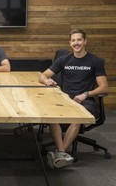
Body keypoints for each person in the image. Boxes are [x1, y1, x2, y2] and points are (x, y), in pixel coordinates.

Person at [39, 29, 108, 169]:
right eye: (73, 40)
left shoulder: (95, 61)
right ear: (70, 43)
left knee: (77, 117)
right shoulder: (64, 59)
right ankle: (62, 153)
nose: (76, 43)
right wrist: (46, 81)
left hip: (85, 100)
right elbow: (42, 75)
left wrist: (86, 94)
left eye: (79, 40)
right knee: (51, 117)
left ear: (85, 41)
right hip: (65, 99)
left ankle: (59, 152)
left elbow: (104, 87)